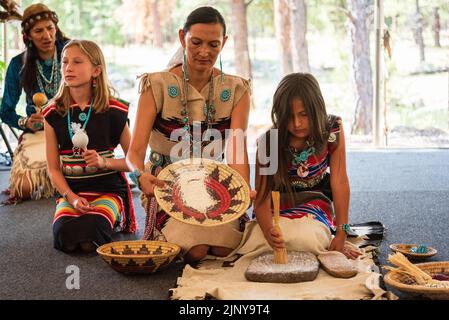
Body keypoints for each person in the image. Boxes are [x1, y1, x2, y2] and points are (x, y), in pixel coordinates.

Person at [126, 6, 252, 264]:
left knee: (224, 249)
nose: (204, 52)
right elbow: (134, 153)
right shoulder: (156, 84)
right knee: (196, 250)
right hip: (165, 186)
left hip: (214, 185)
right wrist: (141, 176)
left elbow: (237, 150)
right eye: (196, 42)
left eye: (213, 45)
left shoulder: (238, 89)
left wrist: (242, 190)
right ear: (183, 37)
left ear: (224, 43)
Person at [253, 73, 361, 259]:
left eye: (304, 114)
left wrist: (342, 232)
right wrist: (269, 232)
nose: (296, 123)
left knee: (308, 240)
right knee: (257, 240)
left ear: (317, 109)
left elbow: (340, 181)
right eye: (289, 116)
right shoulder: (269, 143)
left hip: (314, 204)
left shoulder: (332, 130)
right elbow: (262, 198)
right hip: (276, 209)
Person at [43, 40, 136, 253]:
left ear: (96, 70)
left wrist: (105, 162)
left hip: (108, 191)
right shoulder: (52, 113)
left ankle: (112, 214)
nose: (68, 67)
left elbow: (134, 161)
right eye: (65, 62)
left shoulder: (114, 109)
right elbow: (53, 169)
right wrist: (72, 198)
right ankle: (76, 211)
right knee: (65, 237)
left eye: (77, 62)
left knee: (90, 237)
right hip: (72, 191)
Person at [0, 3, 69, 203]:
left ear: (56, 28)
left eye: (50, 28)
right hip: (40, 130)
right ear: (28, 36)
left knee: (87, 176)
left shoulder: (72, 52)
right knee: (24, 188)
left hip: (75, 126)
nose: (47, 35)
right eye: (39, 31)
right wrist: (26, 122)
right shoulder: (18, 64)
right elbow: (5, 111)